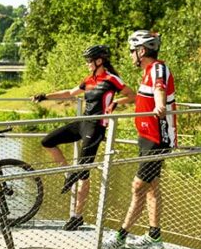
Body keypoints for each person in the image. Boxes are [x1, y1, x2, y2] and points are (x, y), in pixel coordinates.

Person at [32, 44, 135, 230]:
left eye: (89, 61)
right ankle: (68, 172)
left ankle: (77, 216)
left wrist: (115, 103)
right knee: (47, 141)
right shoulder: (89, 79)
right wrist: (45, 96)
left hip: (96, 127)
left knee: (83, 172)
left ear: (99, 61)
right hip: (83, 123)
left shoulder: (112, 79)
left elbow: (131, 95)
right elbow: (70, 93)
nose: (87, 64)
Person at [104, 30, 176, 249]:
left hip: (157, 138)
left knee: (138, 186)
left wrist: (160, 105)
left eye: (132, 51)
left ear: (142, 51)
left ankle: (121, 236)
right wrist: (119, 102)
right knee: (152, 187)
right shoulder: (147, 72)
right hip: (146, 137)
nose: (130, 55)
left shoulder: (157, 68)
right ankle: (155, 237)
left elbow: (160, 89)